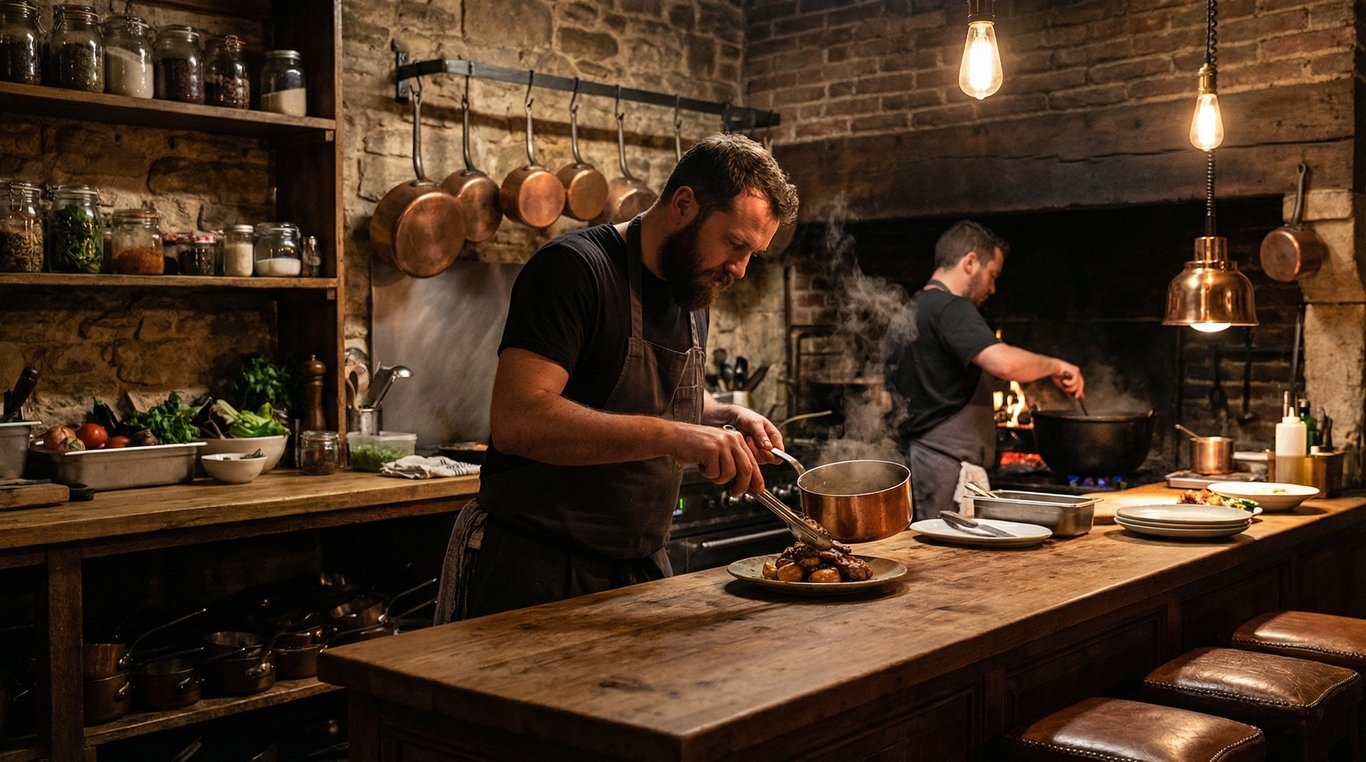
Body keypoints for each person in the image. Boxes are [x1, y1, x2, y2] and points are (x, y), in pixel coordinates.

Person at [435, 133, 799, 622]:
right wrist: (677, 436)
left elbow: (667, 395)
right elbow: (518, 419)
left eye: (752, 253)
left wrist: (724, 414)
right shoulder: (574, 270)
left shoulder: (691, 286)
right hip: (538, 571)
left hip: (637, 568)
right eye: (735, 244)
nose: (740, 269)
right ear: (684, 205)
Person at [884, 220, 1085, 521]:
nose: (992, 287)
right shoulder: (951, 308)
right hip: (943, 469)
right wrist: (1057, 365)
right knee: (945, 564)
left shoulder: (911, 309)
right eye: (993, 275)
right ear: (970, 262)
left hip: (920, 461)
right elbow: (1005, 363)